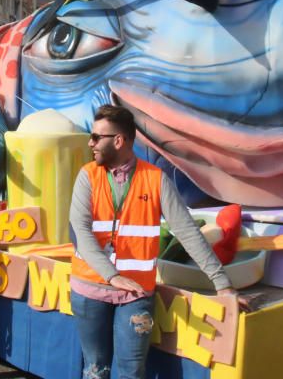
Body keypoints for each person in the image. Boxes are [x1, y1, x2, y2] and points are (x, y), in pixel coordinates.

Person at [69, 105, 249, 379]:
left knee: (132, 372)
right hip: (89, 291)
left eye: (96, 137)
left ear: (119, 141)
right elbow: (80, 233)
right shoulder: (87, 176)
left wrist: (222, 284)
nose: (90, 143)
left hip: (136, 295)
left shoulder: (156, 179)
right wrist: (112, 275)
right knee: (96, 371)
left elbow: (187, 231)